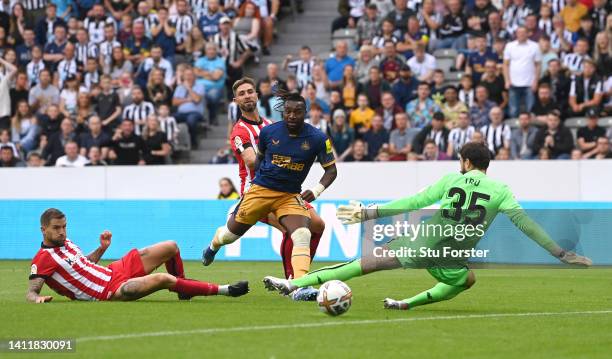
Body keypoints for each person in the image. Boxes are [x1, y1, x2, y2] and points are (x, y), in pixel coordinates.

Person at [263, 142, 592, 309]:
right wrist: (560, 252)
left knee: (360, 266)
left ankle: (296, 283)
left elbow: (412, 203)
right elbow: (527, 225)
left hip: (424, 242)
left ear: (465, 162)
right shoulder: (501, 190)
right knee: (466, 277)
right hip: (451, 252)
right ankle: (407, 303)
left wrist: (369, 213)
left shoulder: (452, 179)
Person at [203, 89, 338, 298]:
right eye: (288, 112)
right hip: (261, 191)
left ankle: (300, 286)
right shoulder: (269, 133)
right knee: (229, 235)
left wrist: (316, 190)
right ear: (283, 112)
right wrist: (258, 186)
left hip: (290, 195)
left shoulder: (318, 138)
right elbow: (257, 162)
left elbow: (331, 170)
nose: (292, 116)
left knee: (302, 233)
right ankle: (213, 245)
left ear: (306, 113)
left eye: (298, 112)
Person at [27, 208, 249, 303]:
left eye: (64, 226)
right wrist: (36, 298)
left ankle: (184, 291)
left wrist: (101, 249)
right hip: (109, 292)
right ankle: (225, 290)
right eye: (56, 228)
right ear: (43, 230)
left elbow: (84, 264)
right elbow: (32, 291)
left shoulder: (66, 244)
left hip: (114, 270)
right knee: (163, 279)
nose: (62, 231)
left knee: (171, 246)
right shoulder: (43, 258)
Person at [503, 26, 541, 118]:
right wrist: (507, 80)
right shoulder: (509, 46)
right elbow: (506, 65)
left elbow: (538, 65)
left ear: (528, 33)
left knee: (530, 109)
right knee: (513, 109)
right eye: (519, 33)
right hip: (513, 83)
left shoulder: (535, 46)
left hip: (529, 83)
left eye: (523, 33)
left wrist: (536, 81)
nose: (521, 35)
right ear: (516, 34)